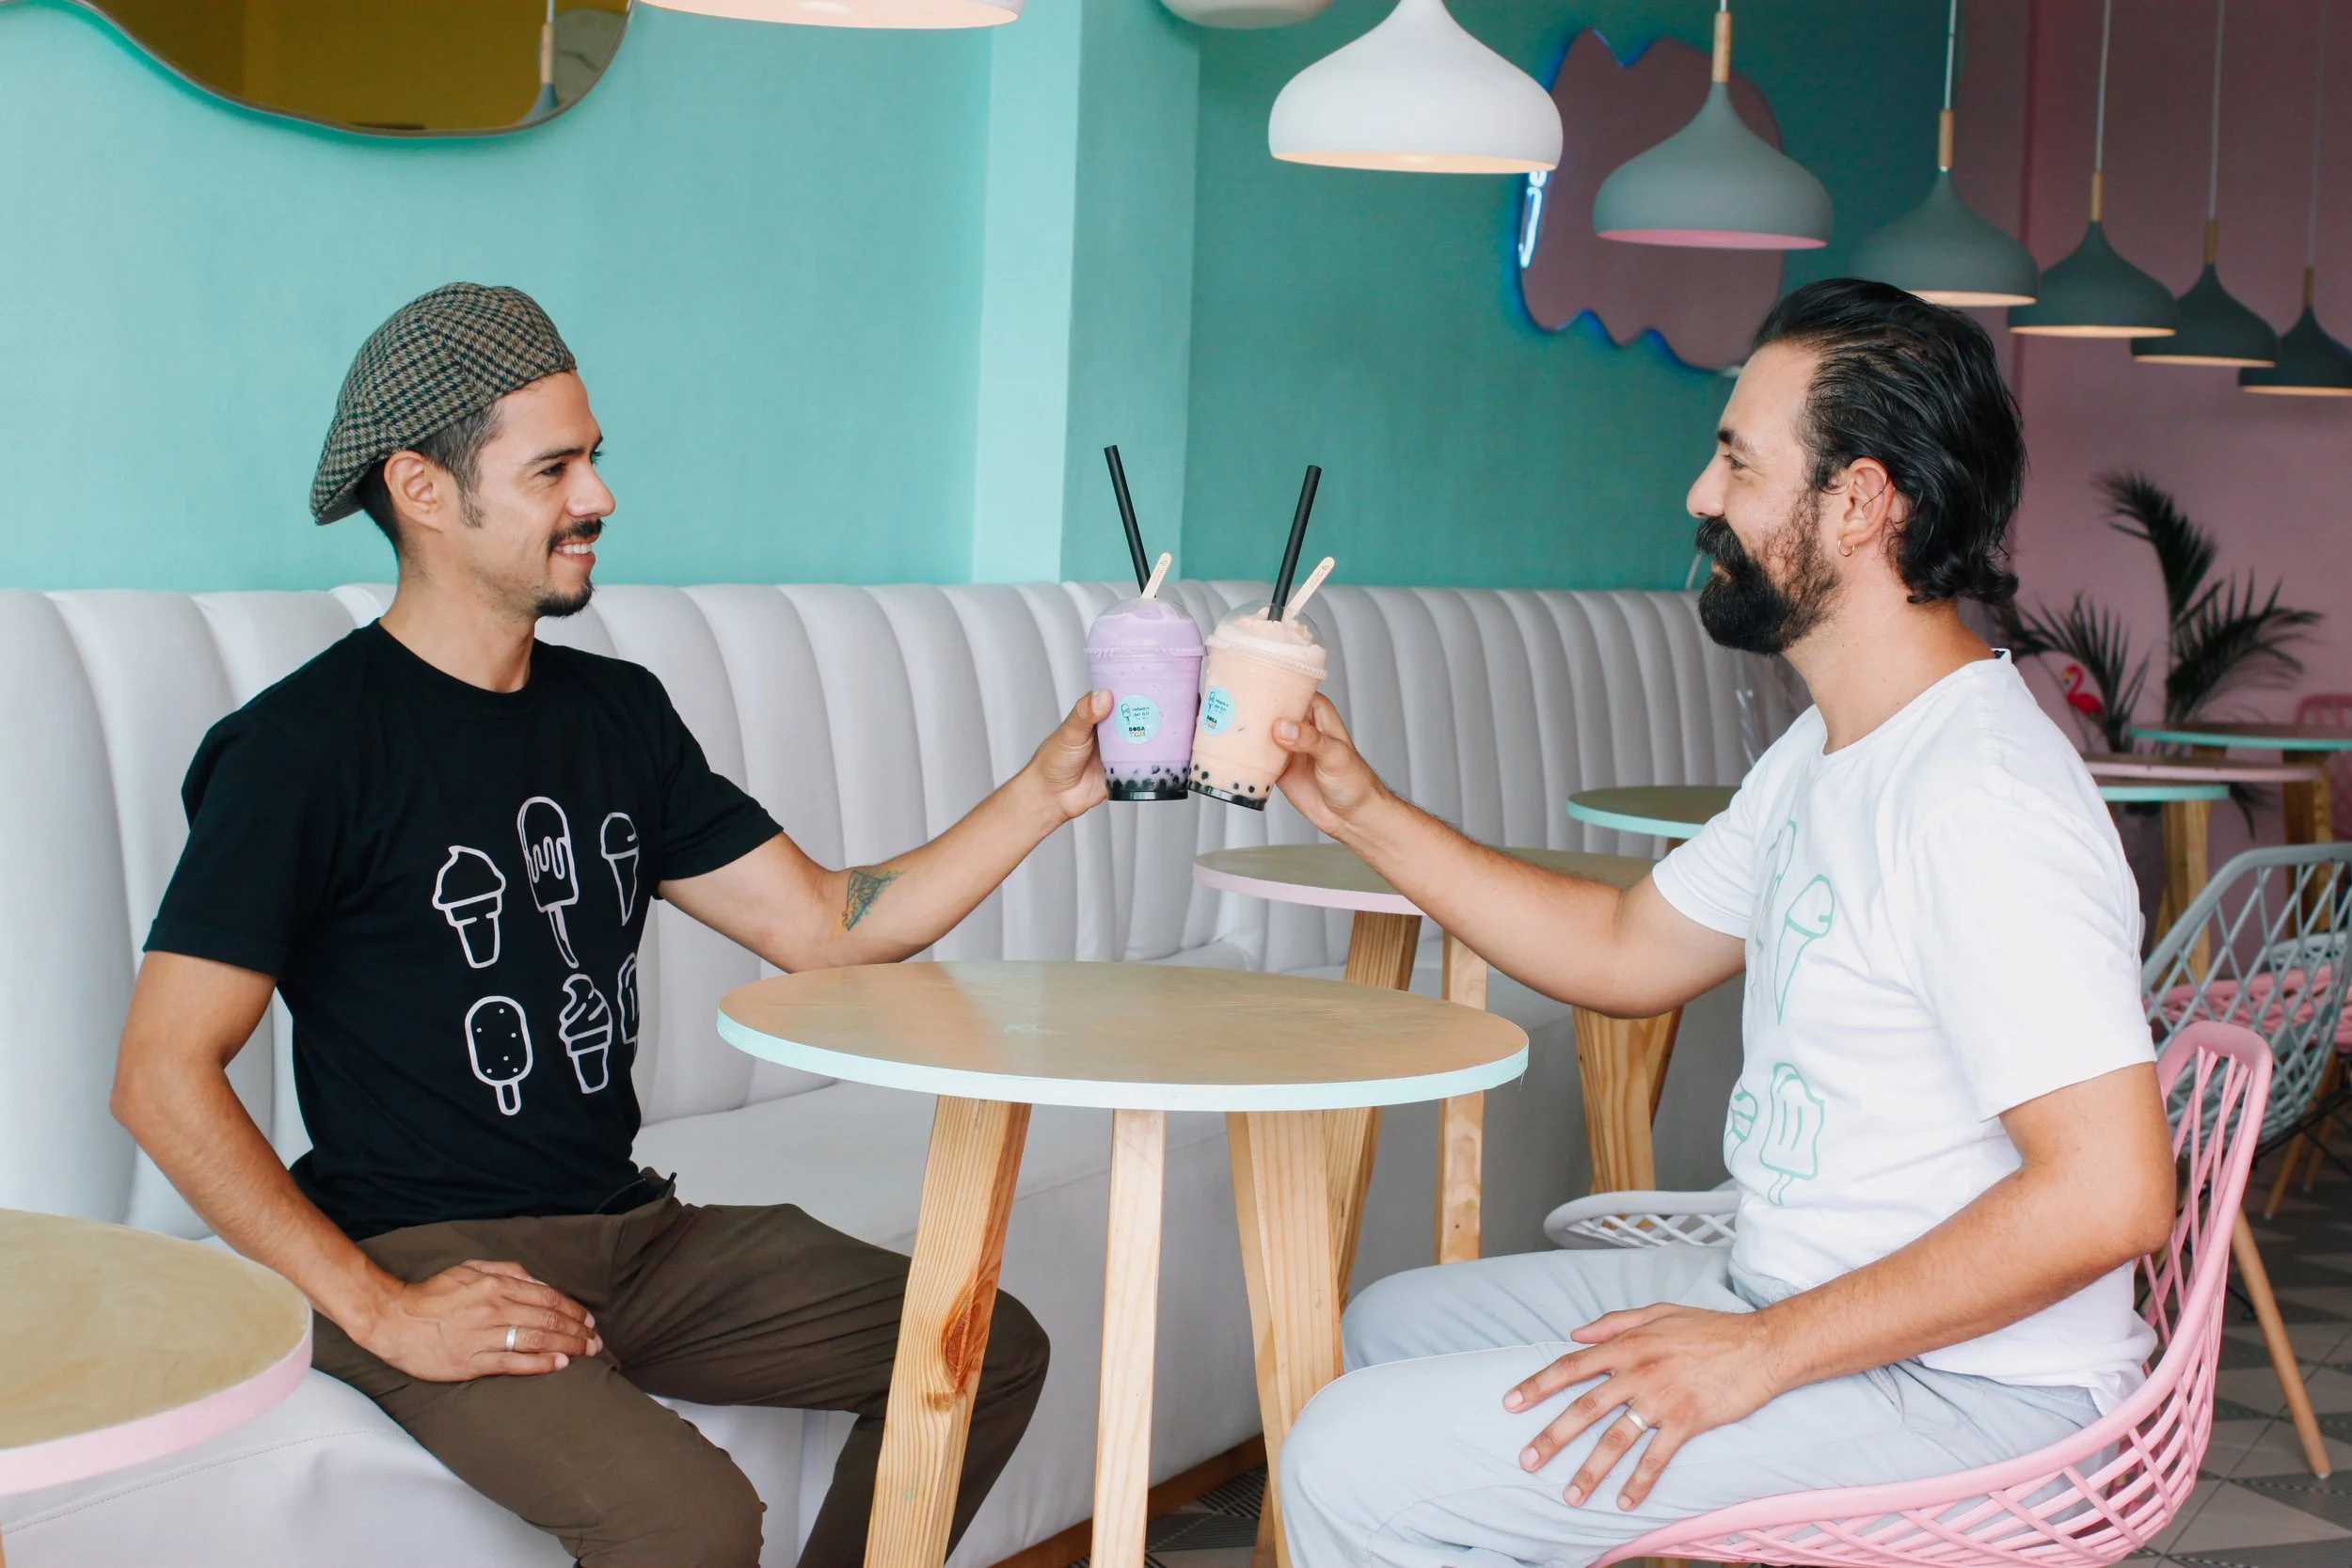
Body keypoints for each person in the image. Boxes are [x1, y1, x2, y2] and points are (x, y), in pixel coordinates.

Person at [111, 283, 1108, 1568]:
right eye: (554, 469)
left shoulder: (617, 714)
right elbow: (160, 1073)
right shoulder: (298, 750)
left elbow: (823, 923)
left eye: (594, 458)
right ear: (422, 488)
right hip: (419, 1249)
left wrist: (1043, 793)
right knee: (688, 1520)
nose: (600, 496)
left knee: (984, 1351)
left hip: (635, 1233)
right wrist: (385, 1308)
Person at [1267, 278, 2178, 1567]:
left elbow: (2111, 1193)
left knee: (1347, 1454)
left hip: (1977, 1398)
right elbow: (1626, 951)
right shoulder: (1832, 749)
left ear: (1861, 502)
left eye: (1739, 461)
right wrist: (1357, 808)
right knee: (1394, 1326)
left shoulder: (1980, 800)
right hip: (1782, 1286)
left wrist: (1760, 1352)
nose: (1701, 494)